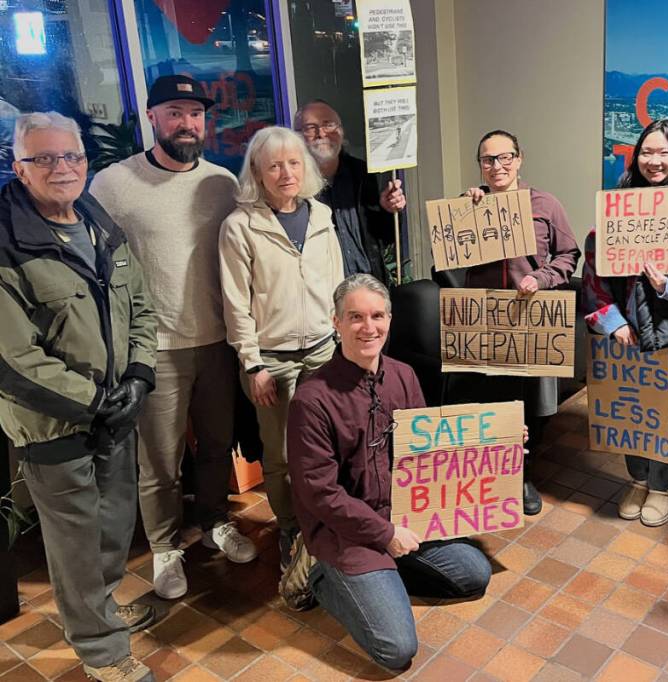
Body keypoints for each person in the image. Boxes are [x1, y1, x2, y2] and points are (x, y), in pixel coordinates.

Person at [0, 112, 157, 681]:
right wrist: (94, 401)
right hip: (55, 425)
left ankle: (102, 611)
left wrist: (139, 374)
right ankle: (101, 649)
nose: (61, 168)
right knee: (76, 539)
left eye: (71, 156)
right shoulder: (6, 243)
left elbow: (139, 300)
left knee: (115, 525)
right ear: (19, 168)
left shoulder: (94, 217)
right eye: (43, 158)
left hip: (117, 408)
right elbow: (12, 360)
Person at [90, 74, 255, 600]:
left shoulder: (221, 183)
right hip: (153, 347)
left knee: (214, 447)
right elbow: (93, 263)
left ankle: (213, 522)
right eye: (176, 112)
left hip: (216, 341)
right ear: (153, 117)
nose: (187, 123)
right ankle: (165, 546)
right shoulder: (113, 184)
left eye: (196, 113)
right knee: (158, 460)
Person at [287, 274, 492, 670]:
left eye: (377, 316)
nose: (369, 327)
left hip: (402, 516)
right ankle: (321, 575)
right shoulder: (311, 400)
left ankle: (385, 574)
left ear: (390, 320)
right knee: (396, 651)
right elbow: (321, 494)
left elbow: (431, 448)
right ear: (336, 323)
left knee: (475, 574)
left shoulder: (403, 375)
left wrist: (497, 442)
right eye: (356, 317)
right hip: (345, 533)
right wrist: (385, 535)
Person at [582, 119, 668, 526]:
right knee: (629, 405)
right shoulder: (617, 206)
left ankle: (662, 486)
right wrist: (613, 323)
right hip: (625, 329)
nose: (654, 161)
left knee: (666, 409)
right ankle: (638, 480)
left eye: (664, 153)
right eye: (647, 152)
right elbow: (595, 271)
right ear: (635, 155)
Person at [219, 126, 344, 571]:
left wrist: (342, 341)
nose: (285, 172)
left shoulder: (323, 216)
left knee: (326, 445)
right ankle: (291, 527)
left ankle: (325, 520)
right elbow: (236, 303)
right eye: (273, 165)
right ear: (257, 171)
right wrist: (252, 364)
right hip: (271, 360)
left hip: (323, 350)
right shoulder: (240, 227)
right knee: (283, 456)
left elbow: (337, 285)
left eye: (293, 163)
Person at [458, 129, 581, 516]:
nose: (497, 166)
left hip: (529, 319)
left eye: (505, 157)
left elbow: (568, 256)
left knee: (527, 404)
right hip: (482, 320)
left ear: (520, 158)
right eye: (488, 159)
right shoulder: (470, 205)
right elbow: (444, 253)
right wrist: (461, 214)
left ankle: (523, 474)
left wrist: (540, 278)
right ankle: (490, 474)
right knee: (485, 402)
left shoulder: (545, 205)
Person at [294, 100, 406, 283]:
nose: (321, 133)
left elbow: (385, 238)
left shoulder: (363, 174)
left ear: (341, 131)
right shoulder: (294, 185)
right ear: (296, 136)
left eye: (328, 125)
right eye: (310, 127)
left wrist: (388, 211)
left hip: (369, 287)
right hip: (323, 295)